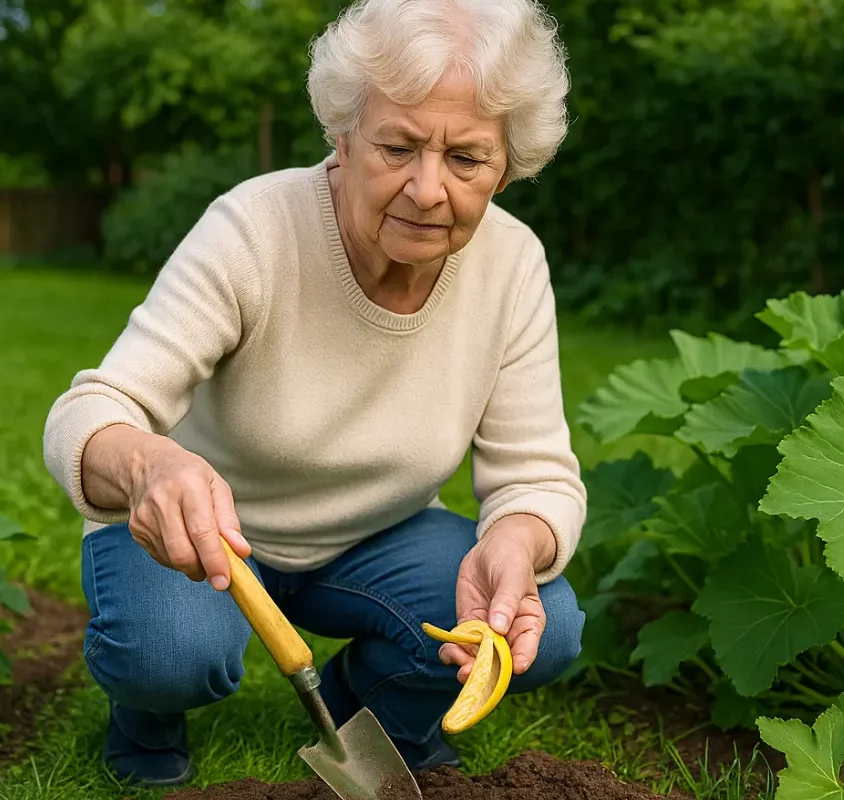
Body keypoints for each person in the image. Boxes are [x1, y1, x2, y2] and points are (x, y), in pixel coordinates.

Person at [42, 0, 588, 788]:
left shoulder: (512, 264)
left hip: (377, 537)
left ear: (508, 164)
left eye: (467, 159)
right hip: (207, 537)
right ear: (344, 134)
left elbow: (537, 474)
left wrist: (517, 541)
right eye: (397, 146)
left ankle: (366, 706)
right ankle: (149, 710)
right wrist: (151, 467)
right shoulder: (255, 230)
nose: (428, 189)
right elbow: (89, 412)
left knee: (551, 625)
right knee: (170, 652)